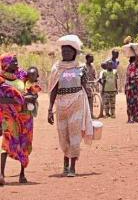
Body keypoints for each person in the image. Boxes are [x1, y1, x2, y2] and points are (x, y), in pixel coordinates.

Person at [47, 35, 93, 178]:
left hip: (77, 103)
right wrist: (50, 108)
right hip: (61, 104)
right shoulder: (56, 68)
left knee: (75, 134)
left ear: (74, 52)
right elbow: (53, 88)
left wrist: (90, 109)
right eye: (63, 51)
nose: (66, 53)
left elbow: (85, 88)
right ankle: (65, 164)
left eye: (68, 51)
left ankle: (72, 167)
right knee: (63, 134)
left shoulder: (81, 68)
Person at [0, 54, 36, 185]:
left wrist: (31, 96)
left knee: (24, 144)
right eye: (13, 62)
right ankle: (1, 174)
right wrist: (19, 99)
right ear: (5, 64)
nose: (16, 64)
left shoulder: (20, 77)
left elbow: (29, 89)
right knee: (6, 142)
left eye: (16, 62)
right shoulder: (1, 80)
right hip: (8, 117)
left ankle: (22, 174)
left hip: (25, 117)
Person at [125, 55, 138, 123]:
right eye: (137, 58)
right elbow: (132, 77)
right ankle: (130, 118)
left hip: (136, 88)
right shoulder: (131, 66)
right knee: (131, 103)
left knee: (137, 102)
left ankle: (135, 117)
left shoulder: (137, 66)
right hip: (131, 88)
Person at [81, 54, 97, 118]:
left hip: (91, 84)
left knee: (91, 100)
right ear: (87, 59)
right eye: (91, 58)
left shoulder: (93, 66)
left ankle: (91, 114)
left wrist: (96, 79)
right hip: (85, 85)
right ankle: (85, 115)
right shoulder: (83, 66)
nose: (93, 59)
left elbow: (94, 74)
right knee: (85, 100)